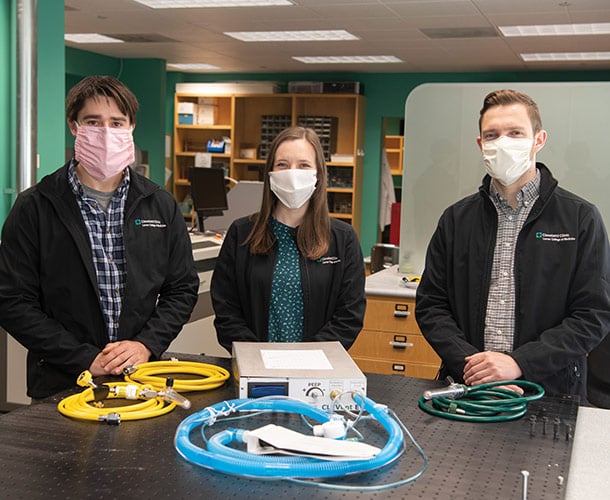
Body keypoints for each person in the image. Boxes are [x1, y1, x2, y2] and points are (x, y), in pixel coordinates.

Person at [0, 75, 199, 399]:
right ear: (74, 126)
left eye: (117, 123)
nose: (106, 132)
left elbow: (182, 288)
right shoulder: (36, 206)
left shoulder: (159, 205)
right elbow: (12, 300)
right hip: (61, 382)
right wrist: (83, 358)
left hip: (141, 379)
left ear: (131, 127)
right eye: (93, 122)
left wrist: (146, 345)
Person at [415, 89, 610, 401]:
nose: (502, 142)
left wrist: (520, 363)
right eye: (492, 135)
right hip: (469, 389)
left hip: (550, 393)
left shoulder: (579, 218)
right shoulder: (456, 220)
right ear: (480, 145)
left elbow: (592, 314)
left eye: (515, 132)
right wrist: (475, 368)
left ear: (539, 139)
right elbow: (432, 305)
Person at [211, 126, 366, 354]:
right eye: (282, 164)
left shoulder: (342, 239)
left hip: (318, 369)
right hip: (254, 365)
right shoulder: (242, 233)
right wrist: (254, 355)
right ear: (270, 173)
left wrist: (308, 358)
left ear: (318, 175)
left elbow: (349, 315)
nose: (292, 173)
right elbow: (226, 307)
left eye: (303, 165)